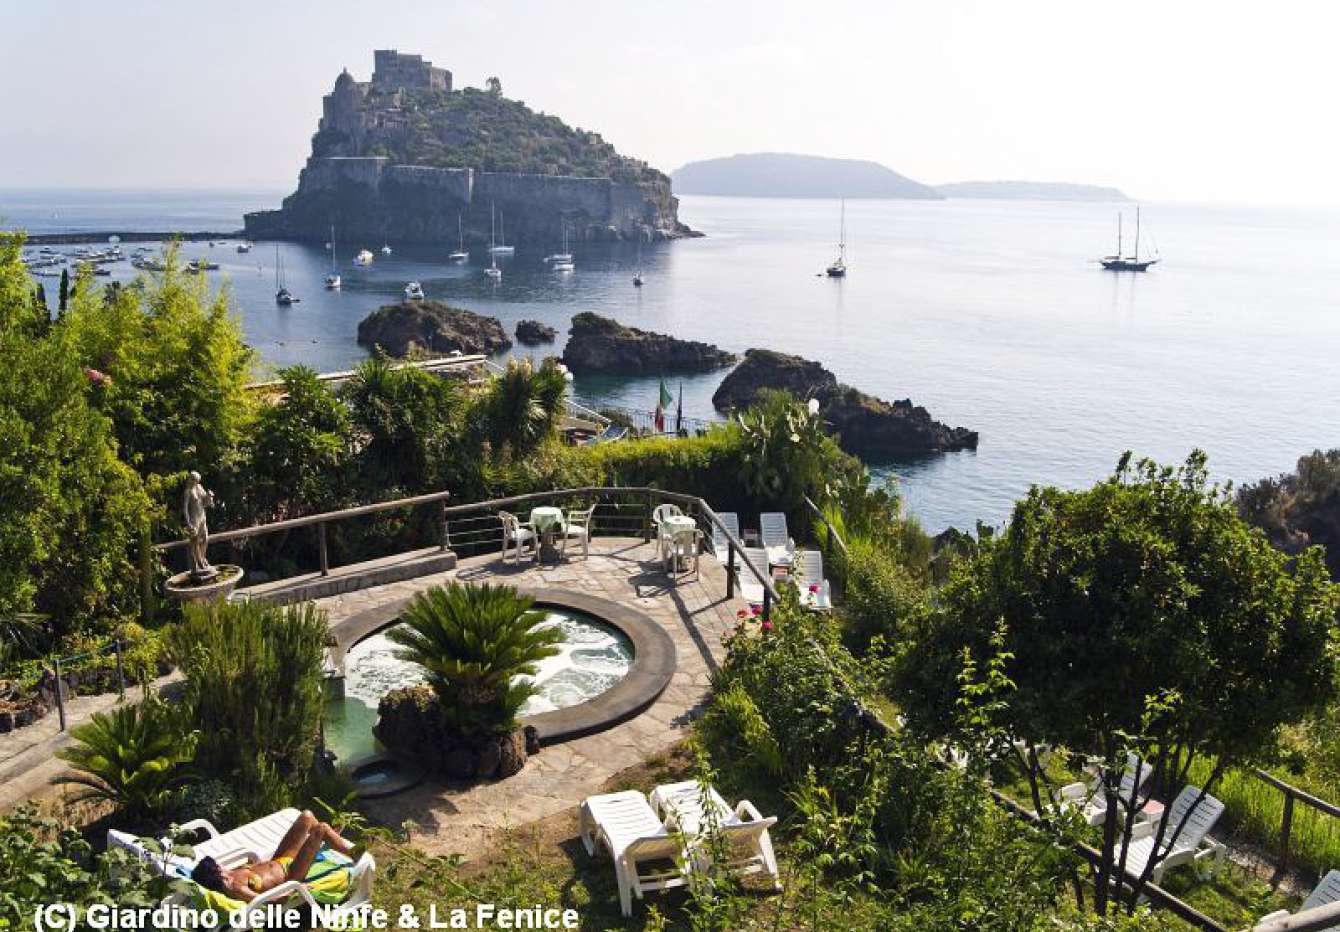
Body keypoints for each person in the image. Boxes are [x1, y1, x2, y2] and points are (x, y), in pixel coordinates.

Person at [189, 810, 360, 903]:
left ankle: (330, 837)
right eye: (216, 865)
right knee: (321, 828)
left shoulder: (231, 874)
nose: (220, 865)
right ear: (216, 872)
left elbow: (255, 867)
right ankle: (352, 853)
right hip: (291, 874)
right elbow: (268, 901)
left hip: (280, 859)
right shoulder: (234, 887)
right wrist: (294, 890)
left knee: (306, 817)